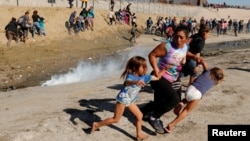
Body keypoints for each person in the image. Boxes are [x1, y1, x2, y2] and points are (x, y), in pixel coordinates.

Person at [91, 56, 165, 141]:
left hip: (130, 100)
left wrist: (165, 69)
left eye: (146, 67)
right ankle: (96, 124)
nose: (145, 69)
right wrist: (136, 82)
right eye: (143, 67)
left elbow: (157, 77)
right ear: (135, 68)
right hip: (122, 99)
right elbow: (127, 83)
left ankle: (139, 135)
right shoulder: (130, 77)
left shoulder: (145, 77)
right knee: (116, 119)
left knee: (139, 116)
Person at [139, 25, 189, 134]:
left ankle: (142, 112)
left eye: (181, 37)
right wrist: (156, 69)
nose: (178, 40)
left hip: (173, 79)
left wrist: (186, 59)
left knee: (161, 101)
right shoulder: (167, 46)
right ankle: (153, 117)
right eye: (176, 37)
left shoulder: (185, 47)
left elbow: (183, 53)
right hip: (159, 77)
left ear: (186, 39)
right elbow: (152, 55)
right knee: (174, 100)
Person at [166, 67, 224, 133]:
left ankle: (181, 103)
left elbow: (203, 64)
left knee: (188, 98)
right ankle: (171, 124)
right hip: (197, 94)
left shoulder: (207, 71)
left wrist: (198, 64)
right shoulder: (214, 82)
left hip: (190, 88)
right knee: (186, 110)